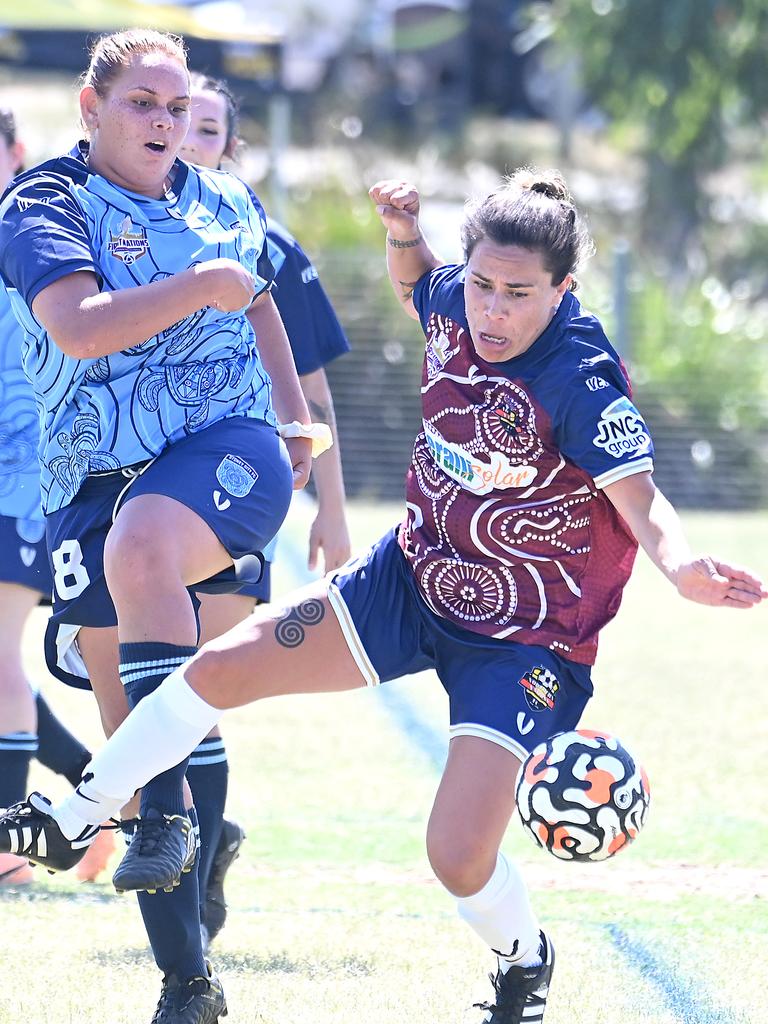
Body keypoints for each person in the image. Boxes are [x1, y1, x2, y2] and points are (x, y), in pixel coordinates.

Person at [2, 170, 766, 1024]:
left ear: (564, 291)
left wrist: (684, 564)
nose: (493, 311)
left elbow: (640, 498)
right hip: (408, 582)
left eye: (519, 294)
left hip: (525, 642)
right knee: (216, 669)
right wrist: (405, 234)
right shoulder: (452, 299)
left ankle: (524, 959)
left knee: (457, 856)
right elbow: (421, 283)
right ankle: (77, 813)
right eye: (482, 285)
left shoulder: (582, 376)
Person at [0, 29, 327, 1024]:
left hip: (224, 451)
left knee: (147, 553)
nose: (165, 123)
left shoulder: (221, 195)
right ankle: (189, 980)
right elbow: (82, 327)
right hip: (88, 479)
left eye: (178, 108)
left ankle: (181, 822)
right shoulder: (41, 203)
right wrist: (205, 286)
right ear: (91, 112)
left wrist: (284, 414)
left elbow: (266, 299)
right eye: (143, 103)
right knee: (135, 744)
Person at [179, 72, 351, 947]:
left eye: (206, 127)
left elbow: (311, 396)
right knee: (124, 683)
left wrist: (332, 509)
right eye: (176, 120)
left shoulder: (262, 242)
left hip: (236, 489)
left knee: (192, 682)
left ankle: (196, 855)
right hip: (131, 487)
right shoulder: (111, 221)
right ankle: (193, 834)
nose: (188, 137)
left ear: (230, 148)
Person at [0, 107, 115, 887]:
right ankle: (102, 796)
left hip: (26, 477)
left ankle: (11, 850)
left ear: (14, 150)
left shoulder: (34, 231)